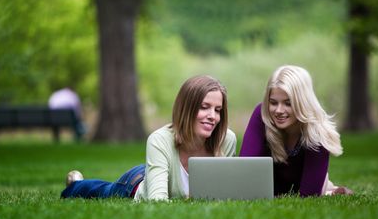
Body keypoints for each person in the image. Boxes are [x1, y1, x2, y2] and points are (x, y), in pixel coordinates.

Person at [61, 75, 237, 201]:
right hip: (137, 182)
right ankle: (76, 184)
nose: (212, 116)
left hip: (158, 168)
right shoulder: (160, 140)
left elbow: (225, 194)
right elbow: (157, 202)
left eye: (218, 110)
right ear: (186, 109)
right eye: (205, 107)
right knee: (106, 191)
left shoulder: (226, 139)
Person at [239, 65, 353, 197]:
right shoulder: (262, 114)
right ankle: (329, 189)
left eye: (288, 103)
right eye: (273, 102)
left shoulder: (317, 131)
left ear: (302, 103)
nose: (279, 111)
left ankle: (329, 188)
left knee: (319, 190)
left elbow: (309, 195)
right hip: (273, 186)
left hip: (302, 184)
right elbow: (245, 169)